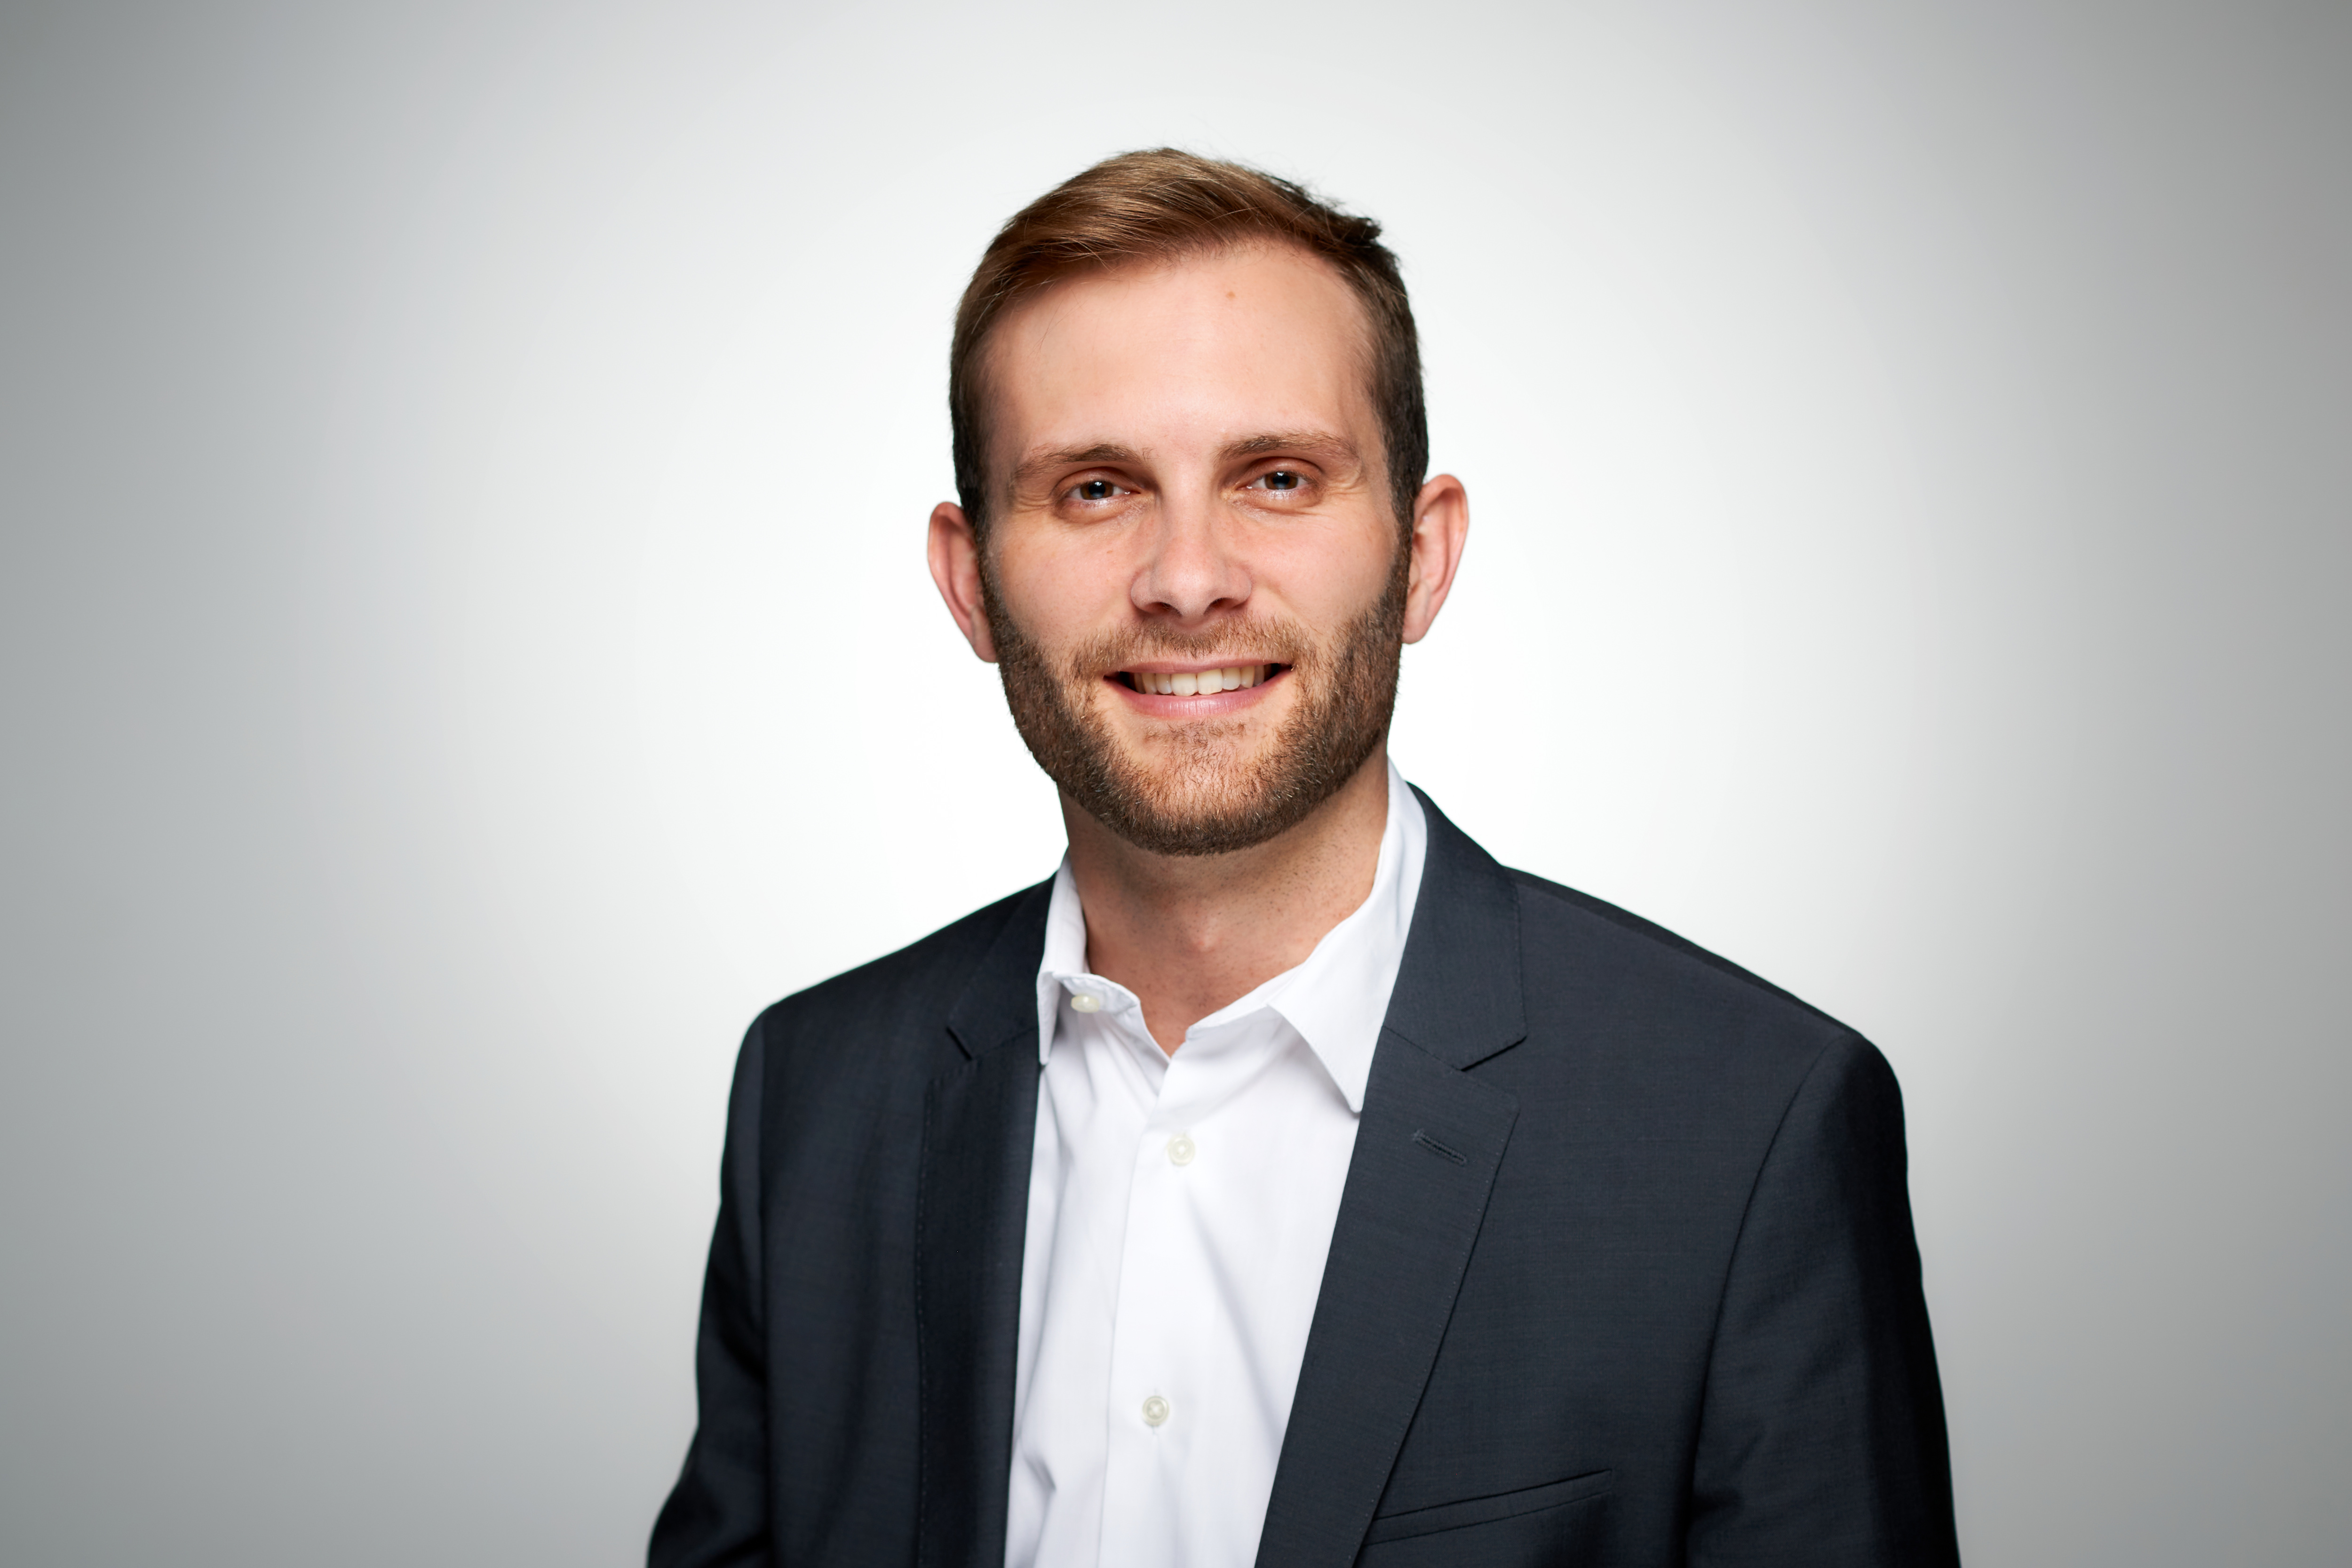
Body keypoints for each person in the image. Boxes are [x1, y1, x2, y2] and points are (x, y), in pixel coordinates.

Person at [648, 149, 1957, 1568]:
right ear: (970, 582)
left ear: (1422, 556)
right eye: (1095, 489)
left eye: (1276, 478)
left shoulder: (1748, 1129)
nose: (1188, 579)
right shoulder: (813, 1099)